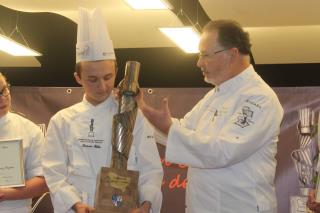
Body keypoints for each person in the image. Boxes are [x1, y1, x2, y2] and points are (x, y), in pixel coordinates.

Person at [136, 20, 284, 213]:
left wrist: (168, 128)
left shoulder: (259, 98)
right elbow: (184, 129)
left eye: (205, 55)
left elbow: (223, 151)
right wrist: (138, 114)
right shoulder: (215, 95)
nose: (198, 63)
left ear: (231, 54)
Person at [41, 8, 163, 213]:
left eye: (108, 77)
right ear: (78, 78)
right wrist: (75, 204)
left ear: (116, 71)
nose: (102, 86)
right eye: (92, 79)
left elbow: (151, 169)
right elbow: (54, 172)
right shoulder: (62, 121)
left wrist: (146, 204)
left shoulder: (133, 116)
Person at [0, 72, 48, 213]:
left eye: (3, 90)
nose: (2, 98)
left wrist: (5, 194)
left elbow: (43, 182)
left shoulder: (29, 130)